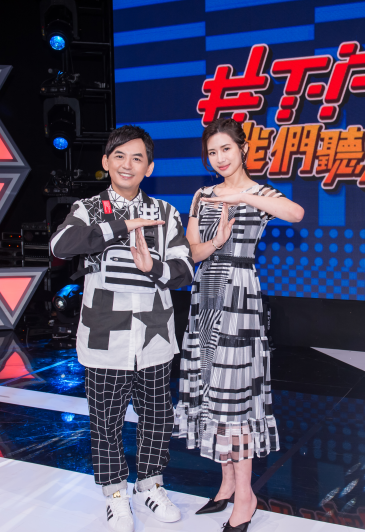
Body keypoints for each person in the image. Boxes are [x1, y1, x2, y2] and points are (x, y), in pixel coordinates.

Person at [50, 125, 193, 532]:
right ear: (105, 162)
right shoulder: (88, 209)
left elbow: (185, 268)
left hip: (154, 335)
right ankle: (115, 495)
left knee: (157, 416)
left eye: (137, 158)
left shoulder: (165, 213)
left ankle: (151, 485)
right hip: (104, 336)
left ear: (150, 167)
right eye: (119, 156)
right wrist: (120, 226)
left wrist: (154, 267)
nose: (127, 165)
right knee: (106, 421)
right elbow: (60, 246)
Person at [174, 118, 305, 532]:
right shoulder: (203, 195)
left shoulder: (259, 193)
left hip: (240, 294)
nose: (219, 158)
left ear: (243, 149)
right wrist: (215, 239)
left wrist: (243, 196)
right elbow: (192, 251)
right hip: (204, 294)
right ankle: (227, 483)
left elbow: (296, 213)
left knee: (234, 398)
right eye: (212, 152)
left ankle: (246, 496)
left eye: (226, 149)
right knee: (210, 390)